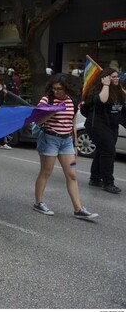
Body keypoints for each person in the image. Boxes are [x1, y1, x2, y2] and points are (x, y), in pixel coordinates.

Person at [33, 74, 98, 220]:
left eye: (60, 89)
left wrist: (75, 144)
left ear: (67, 89)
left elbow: (72, 124)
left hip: (67, 142)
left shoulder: (72, 102)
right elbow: (37, 121)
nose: (56, 91)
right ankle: (38, 203)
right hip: (49, 139)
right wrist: (52, 111)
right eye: (54, 88)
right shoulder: (46, 100)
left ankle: (78, 209)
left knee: (72, 174)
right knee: (46, 172)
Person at [83, 68, 126, 194]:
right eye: (113, 77)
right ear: (105, 78)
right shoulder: (97, 90)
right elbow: (102, 100)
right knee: (109, 152)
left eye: (117, 76)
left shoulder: (119, 92)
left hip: (112, 126)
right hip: (97, 125)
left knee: (103, 151)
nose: (116, 79)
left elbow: (122, 112)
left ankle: (95, 178)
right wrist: (106, 85)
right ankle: (108, 183)